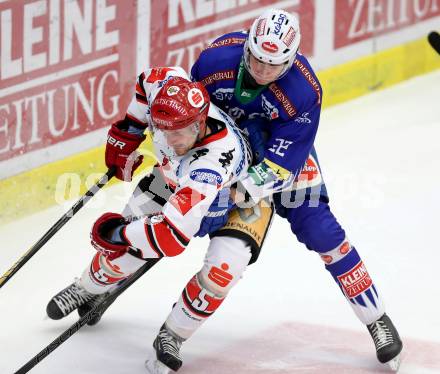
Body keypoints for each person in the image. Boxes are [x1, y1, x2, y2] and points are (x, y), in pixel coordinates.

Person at [187, 8, 403, 371]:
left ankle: (377, 318)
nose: (262, 69)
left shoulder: (304, 90)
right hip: (221, 151)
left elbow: (280, 166)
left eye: (273, 65)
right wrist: (202, 173)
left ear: (291, 59)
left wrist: (235, 191)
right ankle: (97, 282)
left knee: (321, 231)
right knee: (161, 204)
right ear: (248, 48)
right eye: (257, 58)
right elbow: (189, 119)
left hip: (276, 158)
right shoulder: (213, 62)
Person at [46, 67, 275, 373]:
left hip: (237, 202)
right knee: (119, 259)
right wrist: (129, 129)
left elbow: (170, 237)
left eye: (178, 132)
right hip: (171, 182)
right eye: (161, 129)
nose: (169, 138)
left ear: (200, 123)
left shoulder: (212, 163)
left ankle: (174, 335)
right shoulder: (166, 89)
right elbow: (146, 81)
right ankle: (89, 286)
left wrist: (118, 234)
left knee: (222, 272)